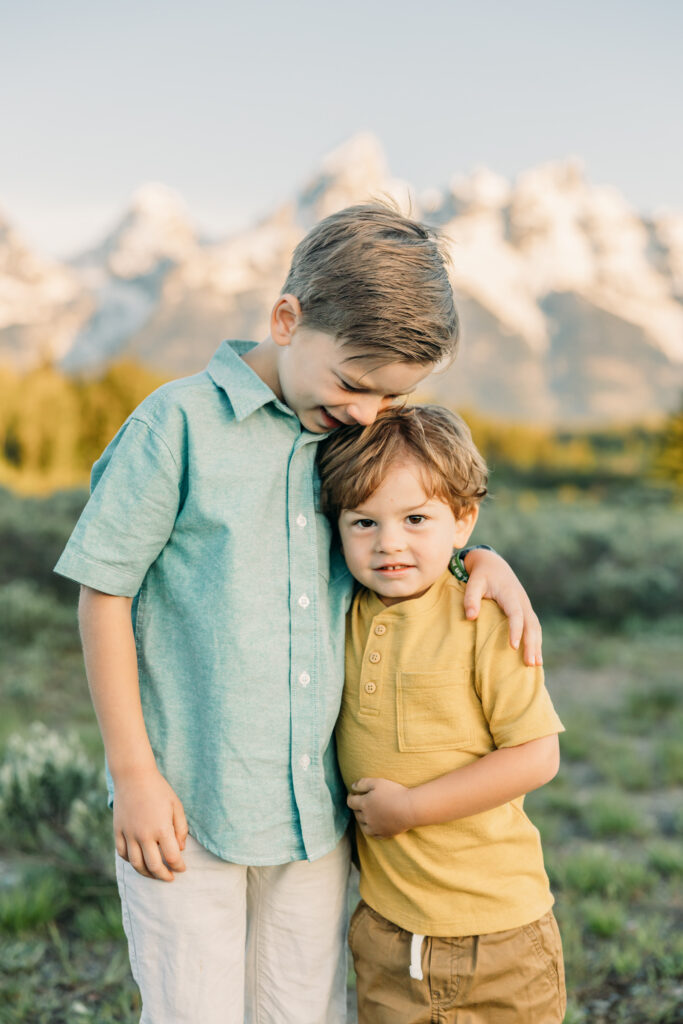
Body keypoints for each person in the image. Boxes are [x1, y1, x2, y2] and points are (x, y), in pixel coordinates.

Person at [54, 203, 542, 1024]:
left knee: (300, 1010)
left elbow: (412, 529)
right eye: (353, 382)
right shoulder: (174, 426)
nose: (362, 410)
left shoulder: (351, 436)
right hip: (185, 803)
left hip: (313, 815)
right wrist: (134, 776)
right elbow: (105, 594)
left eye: (388, 396)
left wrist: (481, 561)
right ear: (287, 320)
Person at [318, 404, 566, 1024]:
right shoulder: (339, 608)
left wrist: (411, 810)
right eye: (364, 522)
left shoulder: (484, 619)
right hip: (387, 934)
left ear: (463, 521)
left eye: (416, 519)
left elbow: (538, 755)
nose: (389, 543)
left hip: (498, 935)